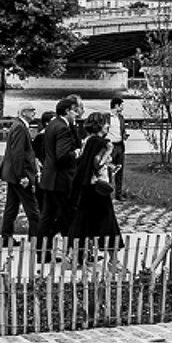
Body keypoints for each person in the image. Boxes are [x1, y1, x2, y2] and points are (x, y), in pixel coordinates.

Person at [66, 112, 122, 266]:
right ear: (100, 125)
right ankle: (113, 260)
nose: (107, 126)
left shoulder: (87, 141)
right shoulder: (101, 143)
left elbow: (86, 161)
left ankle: (72, 257)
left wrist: (110, 165)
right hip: (98, 189)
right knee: (108, 223)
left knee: (82, 222)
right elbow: (96, 164)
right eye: (105, 123)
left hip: (86, 187)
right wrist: (108, 153)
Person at [36, 97, 80, 262]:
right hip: (60, 179)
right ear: (67, 111)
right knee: (68, 216)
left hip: (49, 178)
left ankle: (42, 252)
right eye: (74, 111)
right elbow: (62, 156)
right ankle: (71, 252)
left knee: (47, 216)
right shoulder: (62, 128)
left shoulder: (52, 125)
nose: (76, 114)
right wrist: (76, 153)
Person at [0, 102, 41, 247]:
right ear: (23, 113)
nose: (34, 113)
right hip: (19, 175)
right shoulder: (20, 128)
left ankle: (6, 237)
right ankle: (37, 239)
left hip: (12, 174)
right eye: (31, 111)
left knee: (12, 206)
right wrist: (22, 176)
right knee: (32, 207)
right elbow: (18, 154)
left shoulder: (18, 126)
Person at [107, 97, 129, 200]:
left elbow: (122, 130)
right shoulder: (107, 117)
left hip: (120, 145)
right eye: (121, 105)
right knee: (108, 170)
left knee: (120, 170)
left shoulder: (121, 118)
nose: (123, 107)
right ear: (116, 105)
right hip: (110, 146)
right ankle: (107, 194)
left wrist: (124, 135)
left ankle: (118, 194)